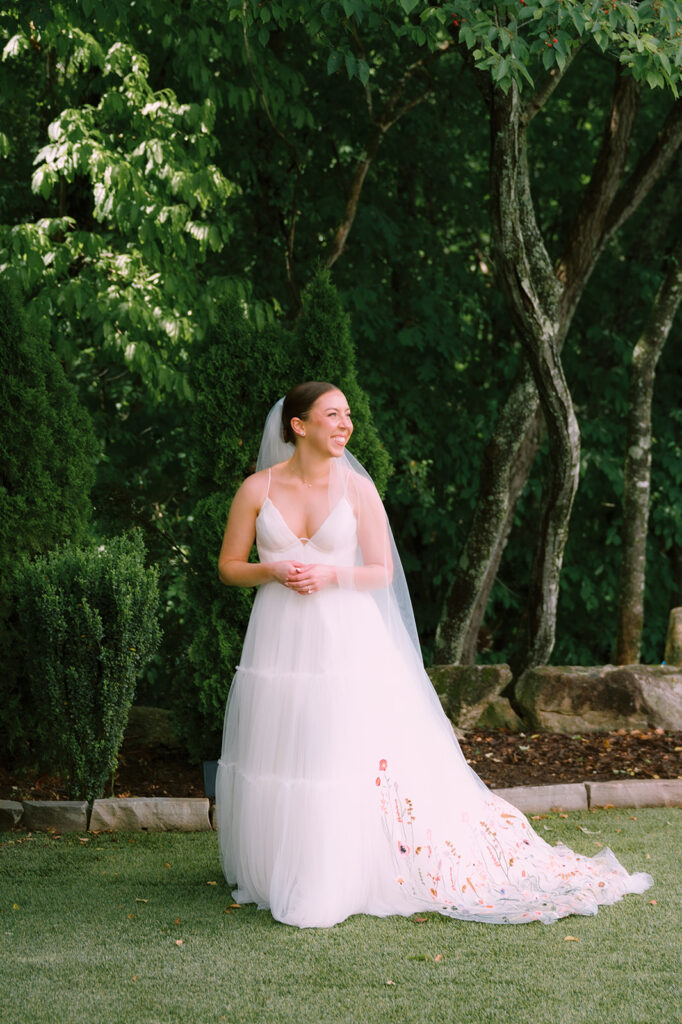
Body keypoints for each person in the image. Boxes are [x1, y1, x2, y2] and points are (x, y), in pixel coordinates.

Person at [215, 381, 653, 929]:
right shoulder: (257, 489)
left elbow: (381, 571)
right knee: (290, 750)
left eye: (348, 414)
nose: (345, 424)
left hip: (348, 636)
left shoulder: (356, 490)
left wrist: (330, 573)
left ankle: (342, 874)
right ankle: (286, 868)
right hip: (279, 636)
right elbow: (230, 566)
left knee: (340, 752)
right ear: (298, 425)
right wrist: (273, 569)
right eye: (333, 414)